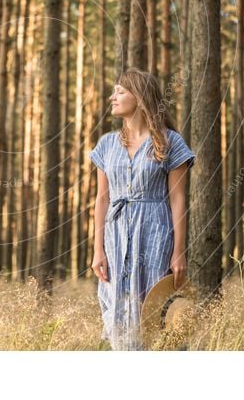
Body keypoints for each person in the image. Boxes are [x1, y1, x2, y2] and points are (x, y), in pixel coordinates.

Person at [89, 67, 196, 350]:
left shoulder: (170, 142)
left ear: (139, 96)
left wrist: (179, 251)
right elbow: (102, 199)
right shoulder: (107, 145)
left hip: (156, 234)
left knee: (154, 309)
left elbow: (178, 199)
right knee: (120, 309)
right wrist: (98, 250)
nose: (112, 97)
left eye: (120, 91)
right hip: (116, 237)